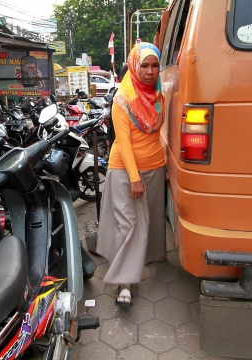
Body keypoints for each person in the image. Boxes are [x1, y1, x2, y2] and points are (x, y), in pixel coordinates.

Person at [96, 42, 166, 307]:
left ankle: (147, 260)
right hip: (125, 170)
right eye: (144, 66)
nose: (150, 72)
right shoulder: (122, 99)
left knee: (151, 221)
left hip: (155, 167)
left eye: (155, 65)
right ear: (135, 67)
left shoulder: (159, 96)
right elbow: (123, 142)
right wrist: (135, 177)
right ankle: (125, 283)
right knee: (128, 224)